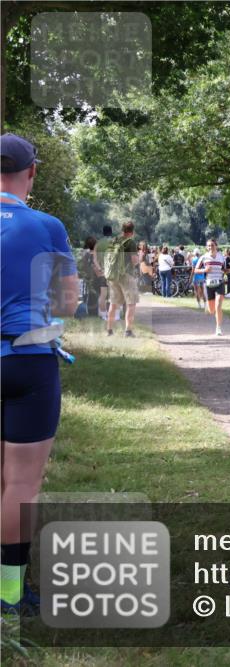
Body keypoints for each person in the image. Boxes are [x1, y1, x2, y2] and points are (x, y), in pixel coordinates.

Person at [1, 133, 79, 614]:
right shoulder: (48, 226)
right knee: (20, 484)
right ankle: (9, 593)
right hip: (27, 359)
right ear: (31, 172)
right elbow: (69, 302)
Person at [104, 220, 141, 337]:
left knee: (113, 303)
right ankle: (128, 331)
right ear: (132, 232)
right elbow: (134, 261)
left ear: (122, 230)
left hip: (113, 276)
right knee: (131, 303)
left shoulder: (114, 241)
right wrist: (139, 258)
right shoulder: (131, 242)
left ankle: (109, 330)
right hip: (126, 275)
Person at [196, 239, 227, 335]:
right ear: (207, 247)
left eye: (212, 245)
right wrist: (204, 270)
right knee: (212, 310)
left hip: (220, 283)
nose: (210, 247)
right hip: (209, 285)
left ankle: (218, 328)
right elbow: (196, 270)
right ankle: (209, 308)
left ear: (216, 246)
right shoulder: (203, 257)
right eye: (209, 245)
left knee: (218, 305)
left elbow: (224, 270)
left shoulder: (221, 257)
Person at [93, 224, 114, 320]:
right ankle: (115, 314)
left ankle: (103, 314)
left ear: (103, 232)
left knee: (103, 295)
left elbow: (94, 259)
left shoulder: (98, 244)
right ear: (111, 232)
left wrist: (100, 268)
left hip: (102, 272)